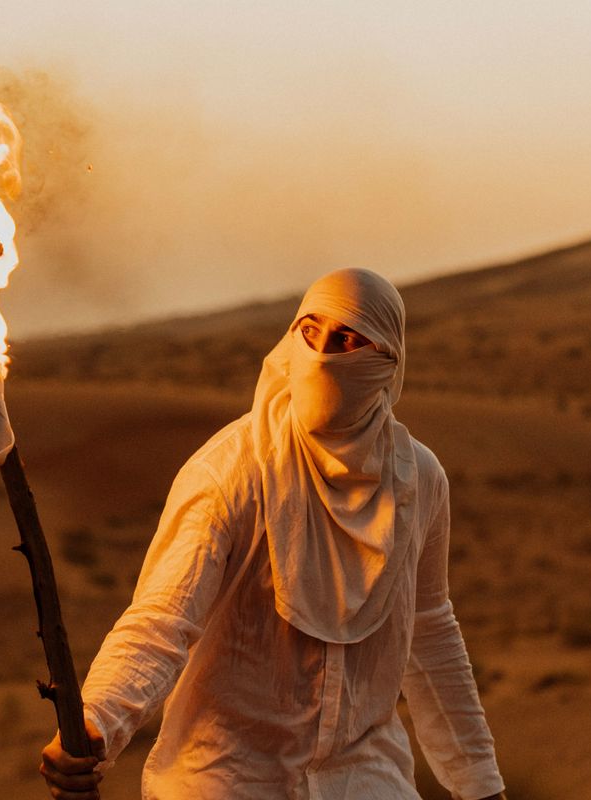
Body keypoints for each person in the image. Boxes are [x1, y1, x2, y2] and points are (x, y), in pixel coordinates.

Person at [40, 268, 506, 799]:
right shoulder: (232, 470)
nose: (324, 354)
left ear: (386, 362)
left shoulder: (418, 480)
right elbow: (163, 620)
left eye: (348, 341)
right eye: (311, 331)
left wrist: (480, 782)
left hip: (365, 780)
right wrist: (97, 722)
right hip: (228, 780)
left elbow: (430, 631)